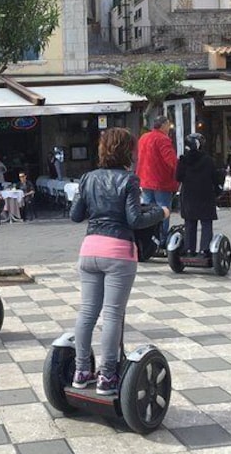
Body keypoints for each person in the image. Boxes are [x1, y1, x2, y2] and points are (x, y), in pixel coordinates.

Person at [70, 128, 167, 395]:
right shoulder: (129, 180)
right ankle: (108, 376)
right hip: (118, 252)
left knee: (87, 312)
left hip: (89, 250)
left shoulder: (87, 178)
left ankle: (81, 371)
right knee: (112, 314)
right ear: (127, 151)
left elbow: (75, 215)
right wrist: (161, 212)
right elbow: (135, 220)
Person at [136, 115, 178, 242]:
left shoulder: (143, 138)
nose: (169, 128)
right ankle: (162, 240)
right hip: (161, 180)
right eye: (168, 125)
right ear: (164, 125)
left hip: (145, 179)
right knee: (163, 210)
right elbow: (171, 160)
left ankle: (149, 240)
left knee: (148, 211)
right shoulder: (163, 139)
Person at [176, 133, 218, 256]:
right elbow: (215, 178)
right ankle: (205, 249)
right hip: (205, 194)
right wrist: (218, 190)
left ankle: (189, 249)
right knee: (206, 222)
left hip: (188, 194)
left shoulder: (183, 159)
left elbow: (178, 177)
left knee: (189, 222)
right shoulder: (208, 160)